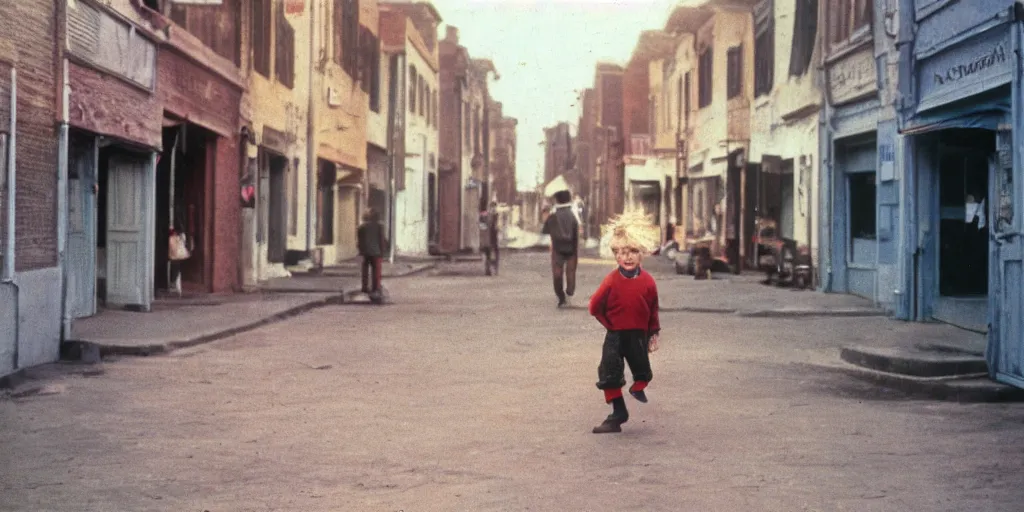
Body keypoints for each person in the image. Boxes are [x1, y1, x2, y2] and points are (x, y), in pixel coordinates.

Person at [588, 211, 661, 434]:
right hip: (615, 334)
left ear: (642, 255)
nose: (628, 257)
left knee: (642, 369)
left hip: (638, 334)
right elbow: (594, 306)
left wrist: (653, 333)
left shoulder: (648, 282)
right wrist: (609, 323)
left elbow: (653, 310)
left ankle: (638, 387)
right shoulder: (611, 279)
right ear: (615, 255)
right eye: (623, 253)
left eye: (633, 252)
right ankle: (618, 413)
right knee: (609, 370)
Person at [541, 190, 580, 307]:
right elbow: (576, 232)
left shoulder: (553, 216)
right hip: (571, 248)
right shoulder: (573, 215)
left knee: (557, 274)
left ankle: (561, 297)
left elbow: (545, 230)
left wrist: (545, 214)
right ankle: (569, 293)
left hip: (558, 249)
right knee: (571, 272)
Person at [357, 208, 388, 297]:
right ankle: (375, 287)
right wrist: (382, 252)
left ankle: (365, 287)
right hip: (376, 252)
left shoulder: (361, 227)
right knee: (376, 271)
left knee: (365, 271)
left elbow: (360, 241)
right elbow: (381, 239)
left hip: (365, 252)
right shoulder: (379, 226)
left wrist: (360, 251)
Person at [480, 201, 500, 276]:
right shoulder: (484, 215)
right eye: (492, 208)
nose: (494, 209)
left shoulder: (496, 215)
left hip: (494, 237)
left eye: (495, 208)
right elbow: (481, 225)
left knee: (496, 253)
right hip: (487, 237)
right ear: (489, 208)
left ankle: (495, 268)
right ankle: (488, 269)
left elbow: (497, 226)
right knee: (488, 253)